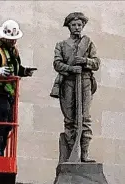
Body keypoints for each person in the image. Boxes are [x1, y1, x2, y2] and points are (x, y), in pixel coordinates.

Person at [0, 19, 36, 156]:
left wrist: (25, 71)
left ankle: (1, 150)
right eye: (11, 39)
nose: (13, 41)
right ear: (3, 37)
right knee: (1, 120)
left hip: (10, 93)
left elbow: (15, 68)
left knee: (9, 123)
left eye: (14, 39)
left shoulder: (14, 52)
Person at [51, 12, 100, 162]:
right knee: (70, 119)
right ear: (69, 27)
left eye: (79, 25)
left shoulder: (88, 43)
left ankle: (84, 154)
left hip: (85, 80)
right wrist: (71, 68)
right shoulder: (61, 45)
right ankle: (72, 153)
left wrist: (85, 61)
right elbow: (57, 64)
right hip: (68, 82)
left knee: (84, 118)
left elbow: (96, 63)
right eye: (74, 25)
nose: (77, 27)